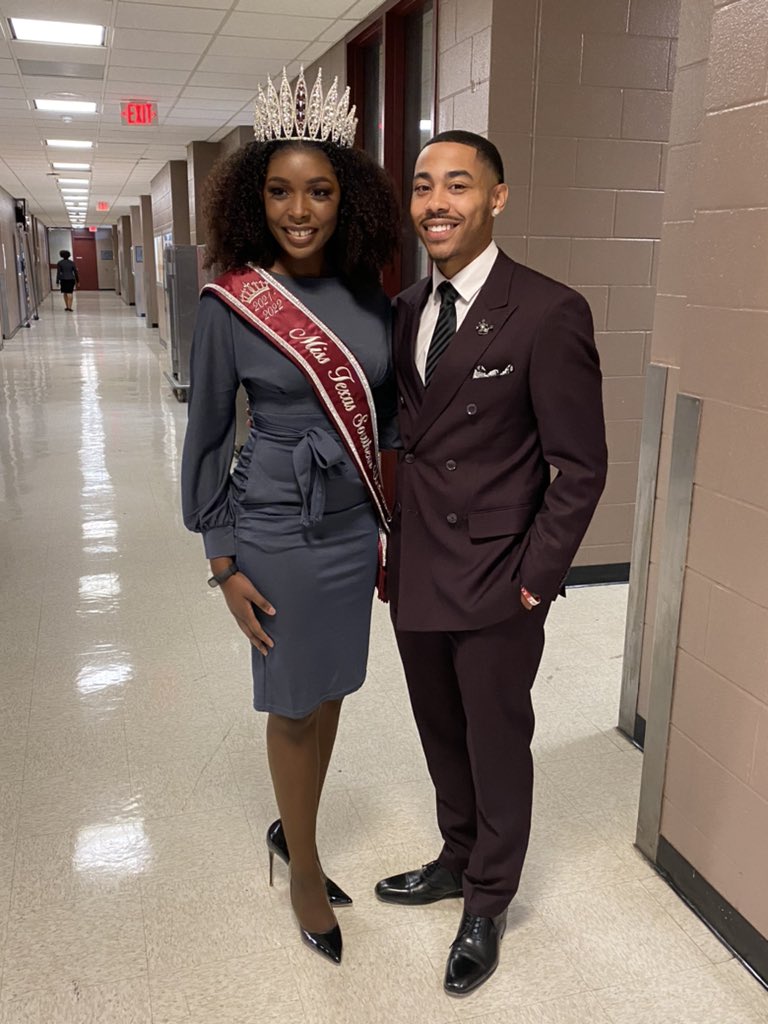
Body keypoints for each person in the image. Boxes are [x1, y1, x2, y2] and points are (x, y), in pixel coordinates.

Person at [375, 130, 608, 996]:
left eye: (459, 186)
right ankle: (456, 853)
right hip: (418, 567)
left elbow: (580, 466)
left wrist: (534, 581)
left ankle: (488, 898)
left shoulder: (548, 310)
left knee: (496, 738)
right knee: (440, 731)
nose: (437, 202)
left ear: (497, 199)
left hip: (499, 576)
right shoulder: (404, 310)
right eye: (425, 186)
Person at [181, 68, 399, 967]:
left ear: (345, 199)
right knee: (294, 704)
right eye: (279, 191)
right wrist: (225, 564)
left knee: (333, 686)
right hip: (275, 527)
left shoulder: (370, 295)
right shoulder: (233, 302)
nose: (298, 210)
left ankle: (293, 831)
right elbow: (202, 441)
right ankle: (303, 866)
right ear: (253, 196)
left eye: (318, 190)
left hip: (352, 528)